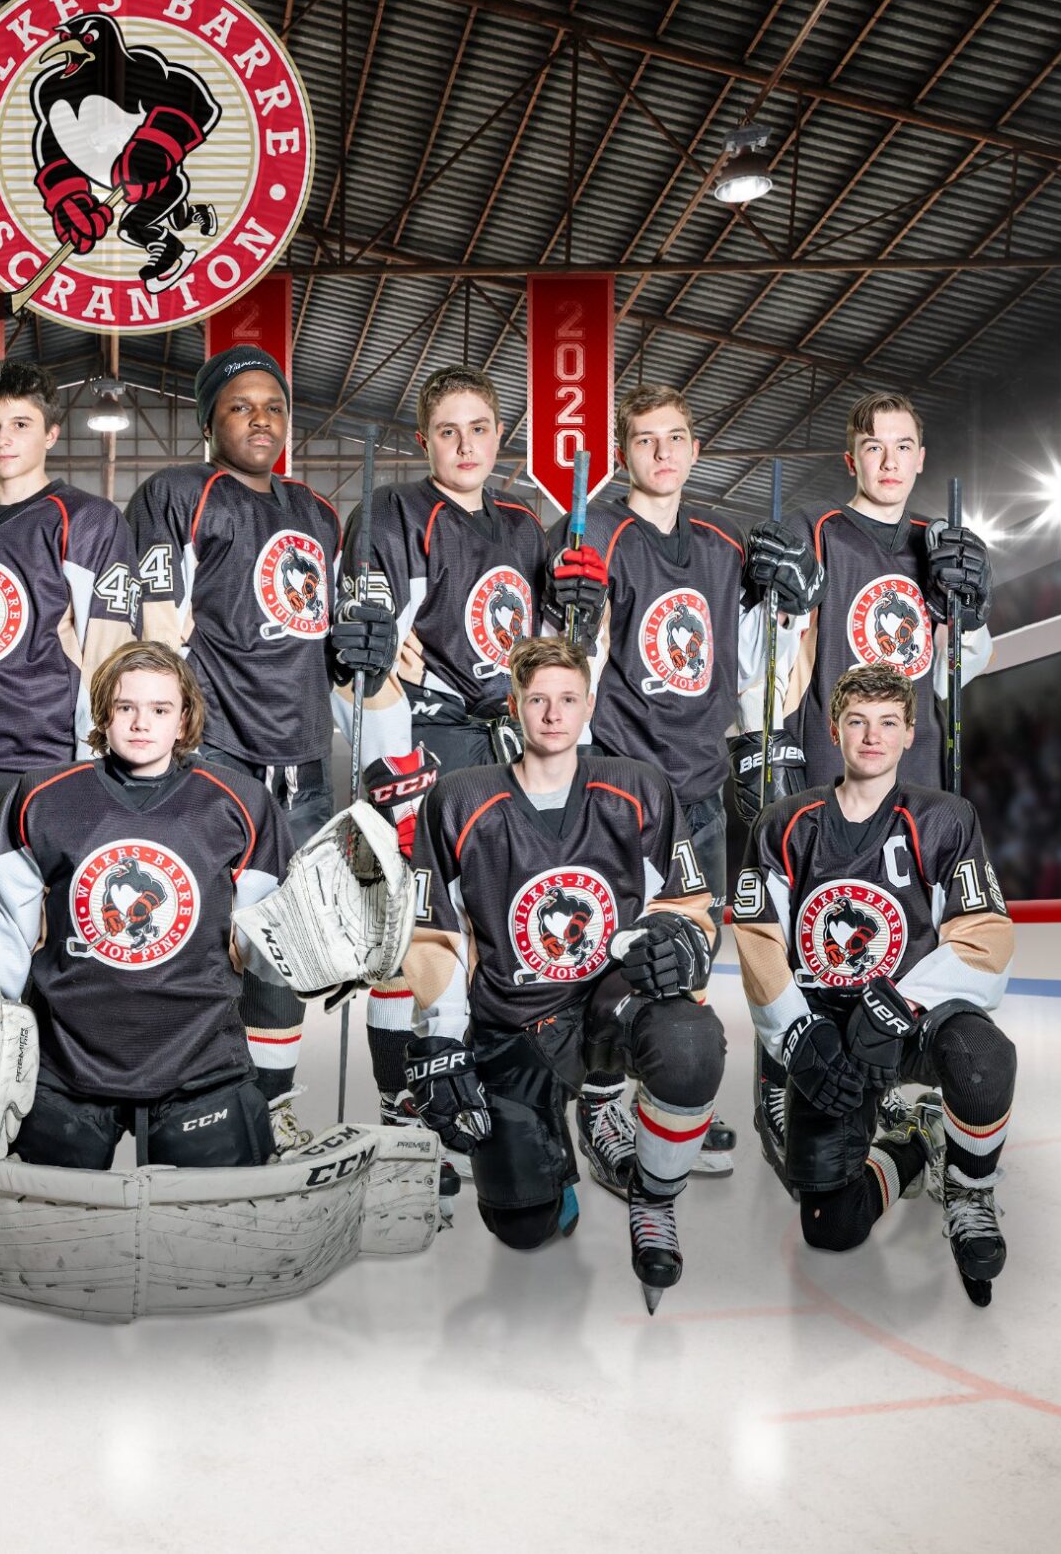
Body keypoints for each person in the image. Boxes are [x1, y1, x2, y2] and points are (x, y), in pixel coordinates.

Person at [400, 636, 723, 1310]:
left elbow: (692, 908)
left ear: (589, 706)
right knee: (525, 1226)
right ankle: (554, 1146)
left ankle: (648, 1187)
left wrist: (683, 939)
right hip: (513, 1022)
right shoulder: (458, 800)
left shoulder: (637, 787)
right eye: (538, 700)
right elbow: (435, 933)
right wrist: (442, 1037)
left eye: (567, 699)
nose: (553, 714)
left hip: (610, 1003)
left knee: (693, 1043)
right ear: (514, 707)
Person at [545, 382, 818, 1176]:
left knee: (691, 948)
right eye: (644, 440)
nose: (661, 453)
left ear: (695, 451)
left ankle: (671, 1100)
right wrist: (577, 614)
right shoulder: (594, 530)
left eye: (675, 438)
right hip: (622, 785)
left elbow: (753, 678)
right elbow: (568, 668)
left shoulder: (726, 543)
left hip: (700, 788)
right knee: (615, 947)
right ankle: (602, 1103)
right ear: (623, 453)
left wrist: (788, 605)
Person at [127, 344, 400, 1137]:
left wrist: (361, 647)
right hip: (219, 757)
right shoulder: (178, 493)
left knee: (289, 936)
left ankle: (273, 1104)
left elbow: (333, 638)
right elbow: (155, 630)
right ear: (211, 417)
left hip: (305, 761)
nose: (261, 420)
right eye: (241, 405)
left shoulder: (318, 513)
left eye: (274, 407)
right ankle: (189, 1097)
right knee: (203, 937)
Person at [0, 642, 293, 1171]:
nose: (141, 723)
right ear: (104, 713)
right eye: (126, 707)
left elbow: (271, 942)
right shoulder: (43, 797)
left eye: (160, 709)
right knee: (46, 1242)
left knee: (215, 1241)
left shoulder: (239, 802)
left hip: (202, 1062)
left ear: (185, 718)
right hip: (65, 1065)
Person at [731, 661, 1018, 1304]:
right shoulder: (784, 823)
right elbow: (757, 939)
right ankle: (915, 1143)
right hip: (830, 1034)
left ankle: (970, 1191)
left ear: (910, 733)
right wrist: (799, 1032)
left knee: (983, 1058)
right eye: (857, 721)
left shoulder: (945, 818)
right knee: (831, 1227)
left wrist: (902, 1002)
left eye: (888, 722)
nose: (872, 736)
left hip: (912, 1018)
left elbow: (987, 936)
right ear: (835, 730)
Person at [343, 365, 548, 1131]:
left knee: (484, 923)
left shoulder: (524, 525)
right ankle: (405, 1092)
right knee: (410, 925)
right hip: (423, 740)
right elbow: (375, 646)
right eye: (448, 431)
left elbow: (541, 639)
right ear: (423, 439)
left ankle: (462, 1071)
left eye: (480, 428)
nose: (466, 444)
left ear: (501, 435)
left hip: (502, 744)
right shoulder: (394, 510)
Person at [0, 359, 140, 949]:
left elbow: (110, 657)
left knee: (46, 959)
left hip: (43, 773)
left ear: (50, 434)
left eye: (20, 423)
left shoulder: (88, 521)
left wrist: (99, 774)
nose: (2, 438)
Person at [792, 392, 993, 789]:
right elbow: (779, 659)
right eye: (873, 447)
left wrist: (968, 621)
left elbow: (957, 670)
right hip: (834, 765)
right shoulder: (816, 529)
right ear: (852, 461)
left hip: (921, 767)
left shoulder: (939, 541)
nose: (890, 462)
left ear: (919, 457)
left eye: (903, 446)